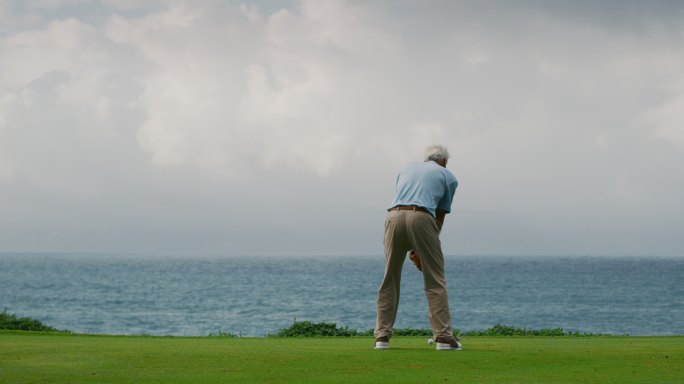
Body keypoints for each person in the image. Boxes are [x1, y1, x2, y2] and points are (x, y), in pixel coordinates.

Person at [374, 145, 461, 351]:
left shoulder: (405, 168)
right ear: (444, 162)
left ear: (425, 159)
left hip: (393, 217)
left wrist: (414, 250)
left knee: (390, 278)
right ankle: (443, 338)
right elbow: (439, 215)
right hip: (422, 217)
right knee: (435, 280)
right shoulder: (448, 176)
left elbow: (405, 198)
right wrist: (420, 253)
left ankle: (381, 338)